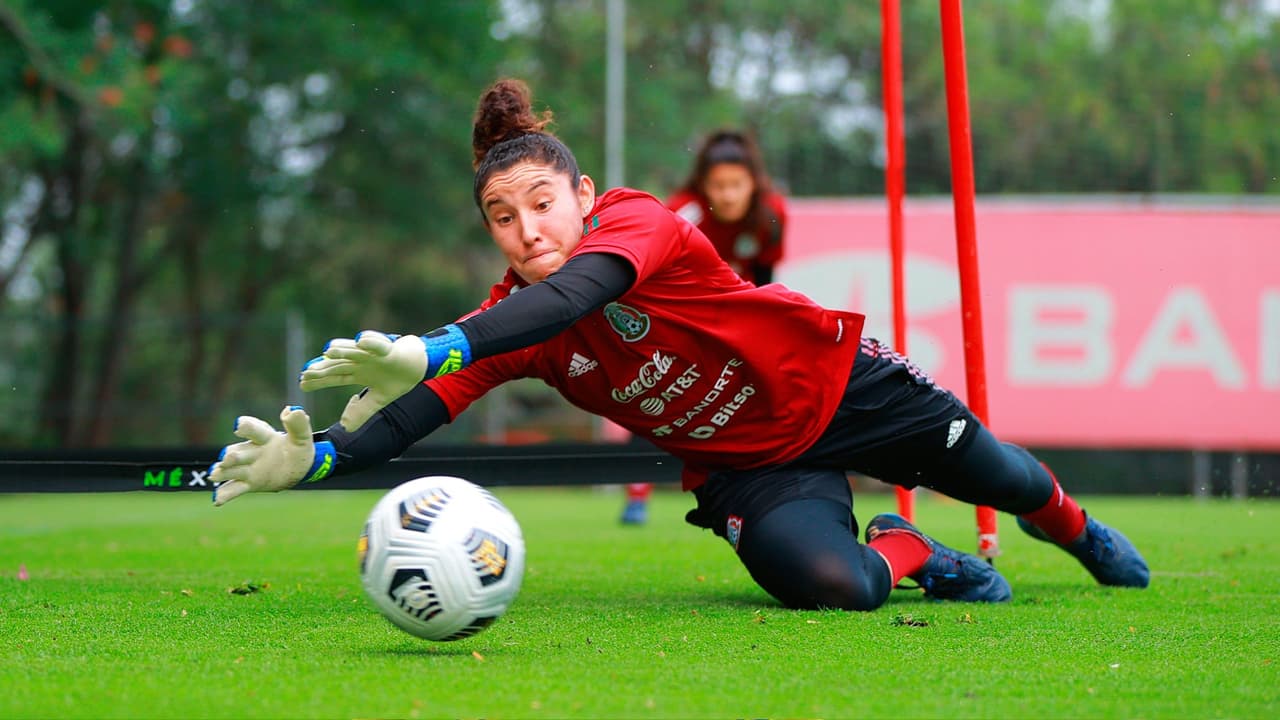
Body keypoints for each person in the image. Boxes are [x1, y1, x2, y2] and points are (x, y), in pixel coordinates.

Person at [209, 78, 1149, 612]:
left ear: (583, 197)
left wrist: (436, 347)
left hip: (838, 389)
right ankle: (907, 548)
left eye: (542, 204)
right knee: (834, 590)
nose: (527, 229)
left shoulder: (639, 222)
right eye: (502, 217)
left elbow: (581, 293)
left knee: (1015, 481)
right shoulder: (505, 319)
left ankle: (1072, 527)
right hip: (750, 466)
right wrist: (321, 456)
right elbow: (415, 414)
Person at [618, 129, 790, 525]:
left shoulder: (771, 214)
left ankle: (758, 488)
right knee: (651, 399)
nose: (728, 195)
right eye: (718, 186)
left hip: (733, 319)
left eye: (736, 185)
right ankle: (636, 494)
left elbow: (763, 282)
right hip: (674, 315)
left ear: (753, 183)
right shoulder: (684, 213)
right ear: (703, 187)